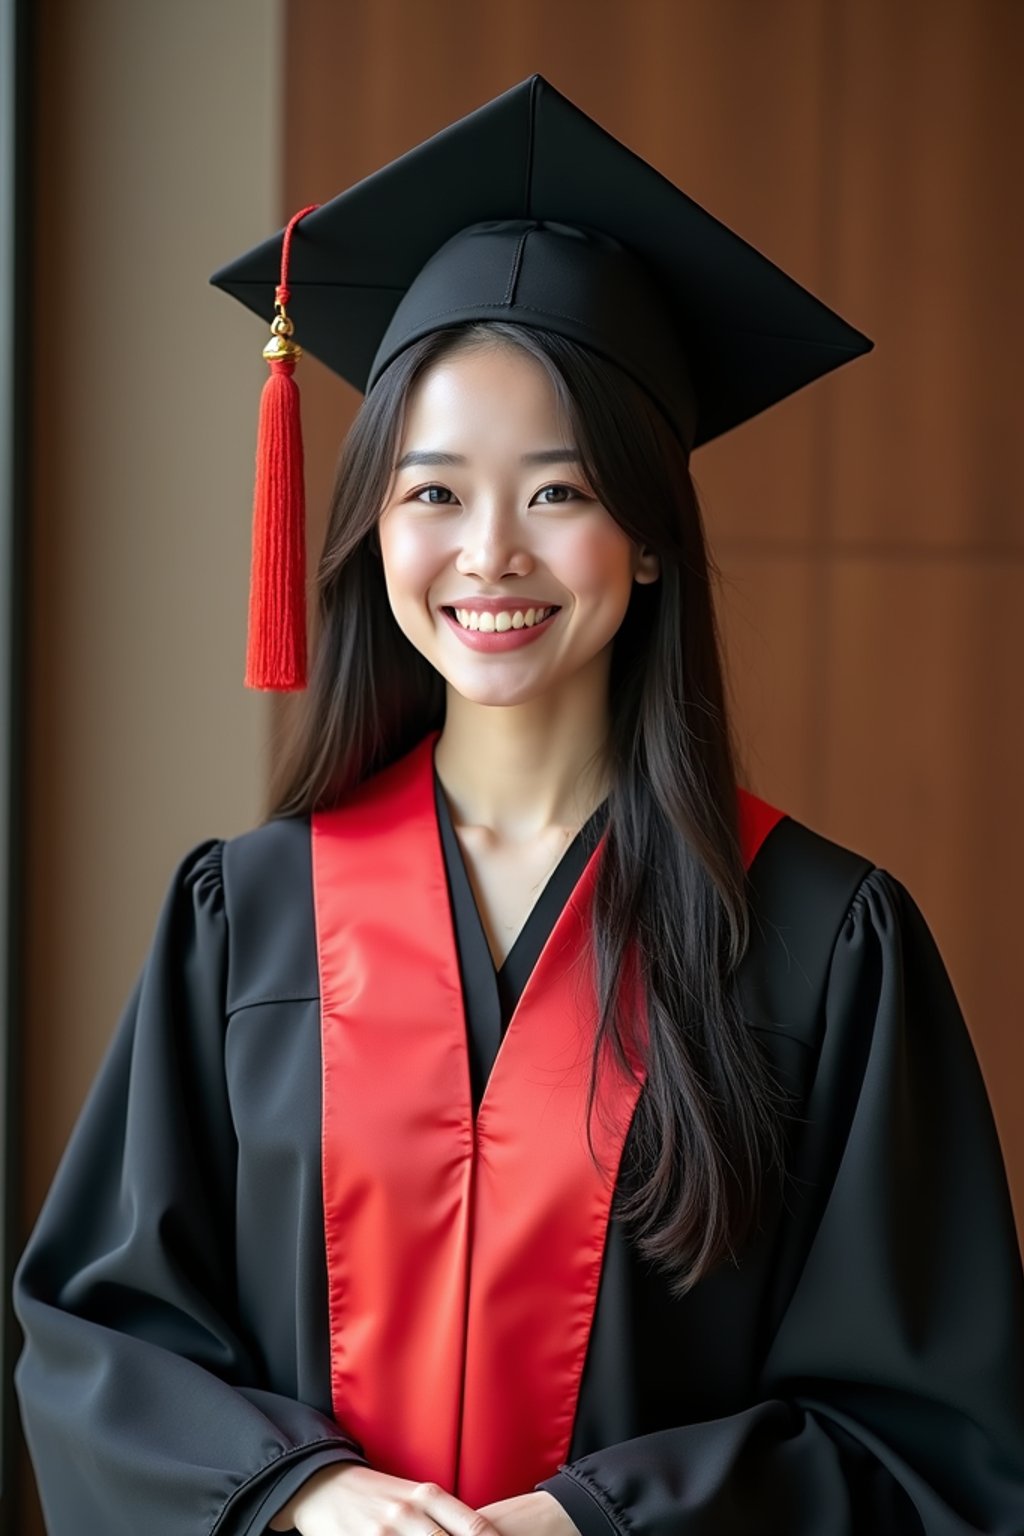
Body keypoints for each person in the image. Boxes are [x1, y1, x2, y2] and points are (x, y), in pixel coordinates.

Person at [13, 74, 1024, 1536]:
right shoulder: (248, 922)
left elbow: (927, 1442)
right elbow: (103, 1341)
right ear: (370, 526)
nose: (489, 555)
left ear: (652, 536)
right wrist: (302, 1496)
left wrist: (595, 1521)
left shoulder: (821, 941)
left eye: (558, 492)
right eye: (433, 493)